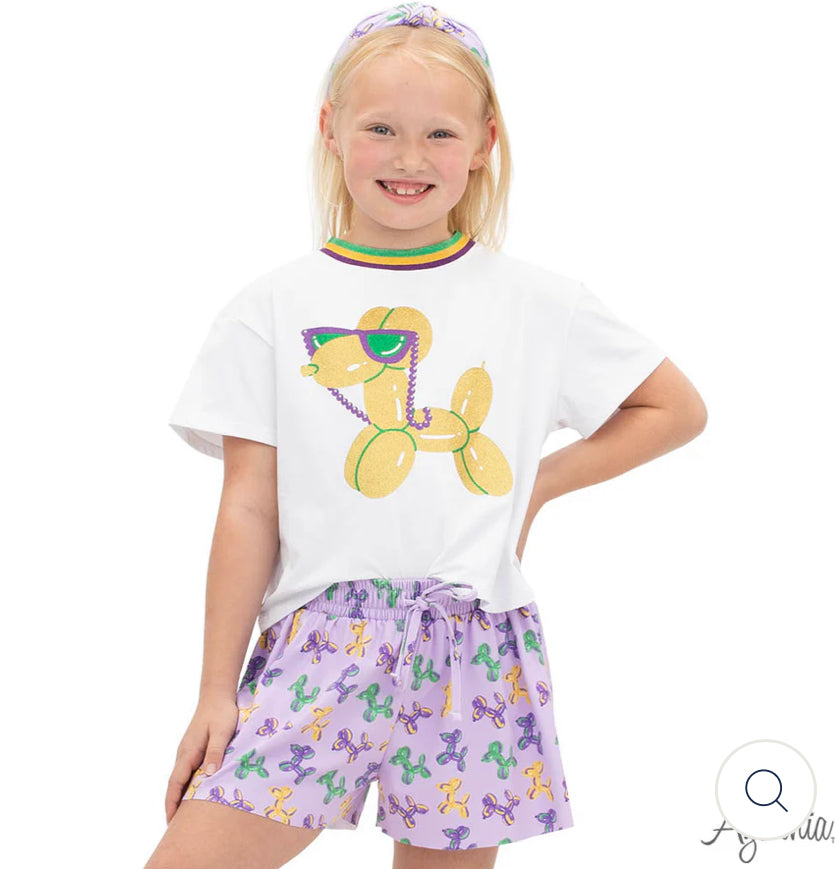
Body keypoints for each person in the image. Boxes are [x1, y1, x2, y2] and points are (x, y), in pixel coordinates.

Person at [143, 4, 707, 868]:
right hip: (320, 645)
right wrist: (215, 690)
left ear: (484, 143)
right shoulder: (271, 309)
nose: (409, 158)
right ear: (330, 130)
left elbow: (674, 408)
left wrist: (538, 484)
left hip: (474, 648)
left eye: (440, 133)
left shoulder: (538, 303)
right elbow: (248, 508)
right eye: (381, 128)